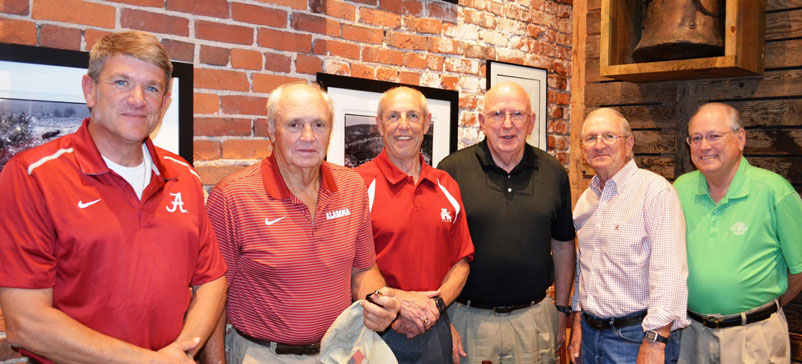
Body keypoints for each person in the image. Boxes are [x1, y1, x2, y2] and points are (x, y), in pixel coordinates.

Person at [0, 30, 227, 364]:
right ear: (89, 90)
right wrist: (148, 362)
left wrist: (181, 351)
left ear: (164, 103)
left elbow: (211, 279)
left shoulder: (183, 175)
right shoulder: (33, 175)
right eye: (121, 82)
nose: (138, 99)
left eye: (152, 88)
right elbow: (26, 324)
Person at [202, 83, 401, 364]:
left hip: (340, 350)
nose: (308, 137)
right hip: (264, 355)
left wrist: (377, 301)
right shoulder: (233, 196)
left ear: (330, 131)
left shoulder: (352, 186)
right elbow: (213, 292)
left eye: (319, 124)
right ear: (272, 130)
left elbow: (364, 269)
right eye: (294, 124)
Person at [438, 81, 576, 363]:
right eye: (497, 114)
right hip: (467, 321)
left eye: (517, 114)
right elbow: (435, 249)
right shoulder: (452, 171)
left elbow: (563, 246)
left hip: (534, 321)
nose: (507, 124)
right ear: (482, 121)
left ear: (531, 122)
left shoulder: (554, 174)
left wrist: (562, 310)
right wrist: (443, 316)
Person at [674, 103, 802, 364]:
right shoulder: (680, 190)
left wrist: (764, 308)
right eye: (696, 138)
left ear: (740, 138)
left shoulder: (774, 191)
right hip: (691, 335)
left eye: (714, 136)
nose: (704, 146)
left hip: (754, 338)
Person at [355, 87, 475, 364]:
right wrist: (398, 305)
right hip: (377, 329)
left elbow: (462, 261)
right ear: (379, 125)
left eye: (412, 116)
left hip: (434, 326)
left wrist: (434, 307)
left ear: (427, 123)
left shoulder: (447, 185)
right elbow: (349, 266)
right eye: (393, 116)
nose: (403, 126)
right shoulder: (358, 184)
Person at [567, 108, 689, 364]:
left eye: (609, 136)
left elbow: (669, 272)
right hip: (590, 334)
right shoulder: (587, 199)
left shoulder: (655, 192)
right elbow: (585, 268)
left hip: (636, 336)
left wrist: (656, 342)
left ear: (629, 144)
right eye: (590, 138)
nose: (599, 145)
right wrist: (578, 320)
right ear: (582, 147)